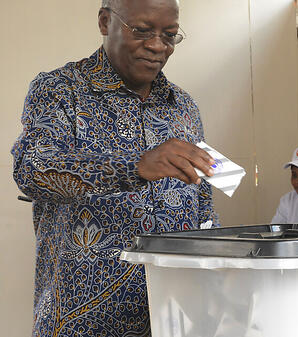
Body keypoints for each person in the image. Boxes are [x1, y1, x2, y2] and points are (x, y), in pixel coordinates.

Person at [11, 0, 219, 336]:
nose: (157, 46)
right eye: (142, 31)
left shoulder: (183, 106)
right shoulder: (60, 90)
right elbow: (32, 168)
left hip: (174, 316)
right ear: (106, 22)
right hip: (82, 319)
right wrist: (134, 166)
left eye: (169, 35)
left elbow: (204, 204)